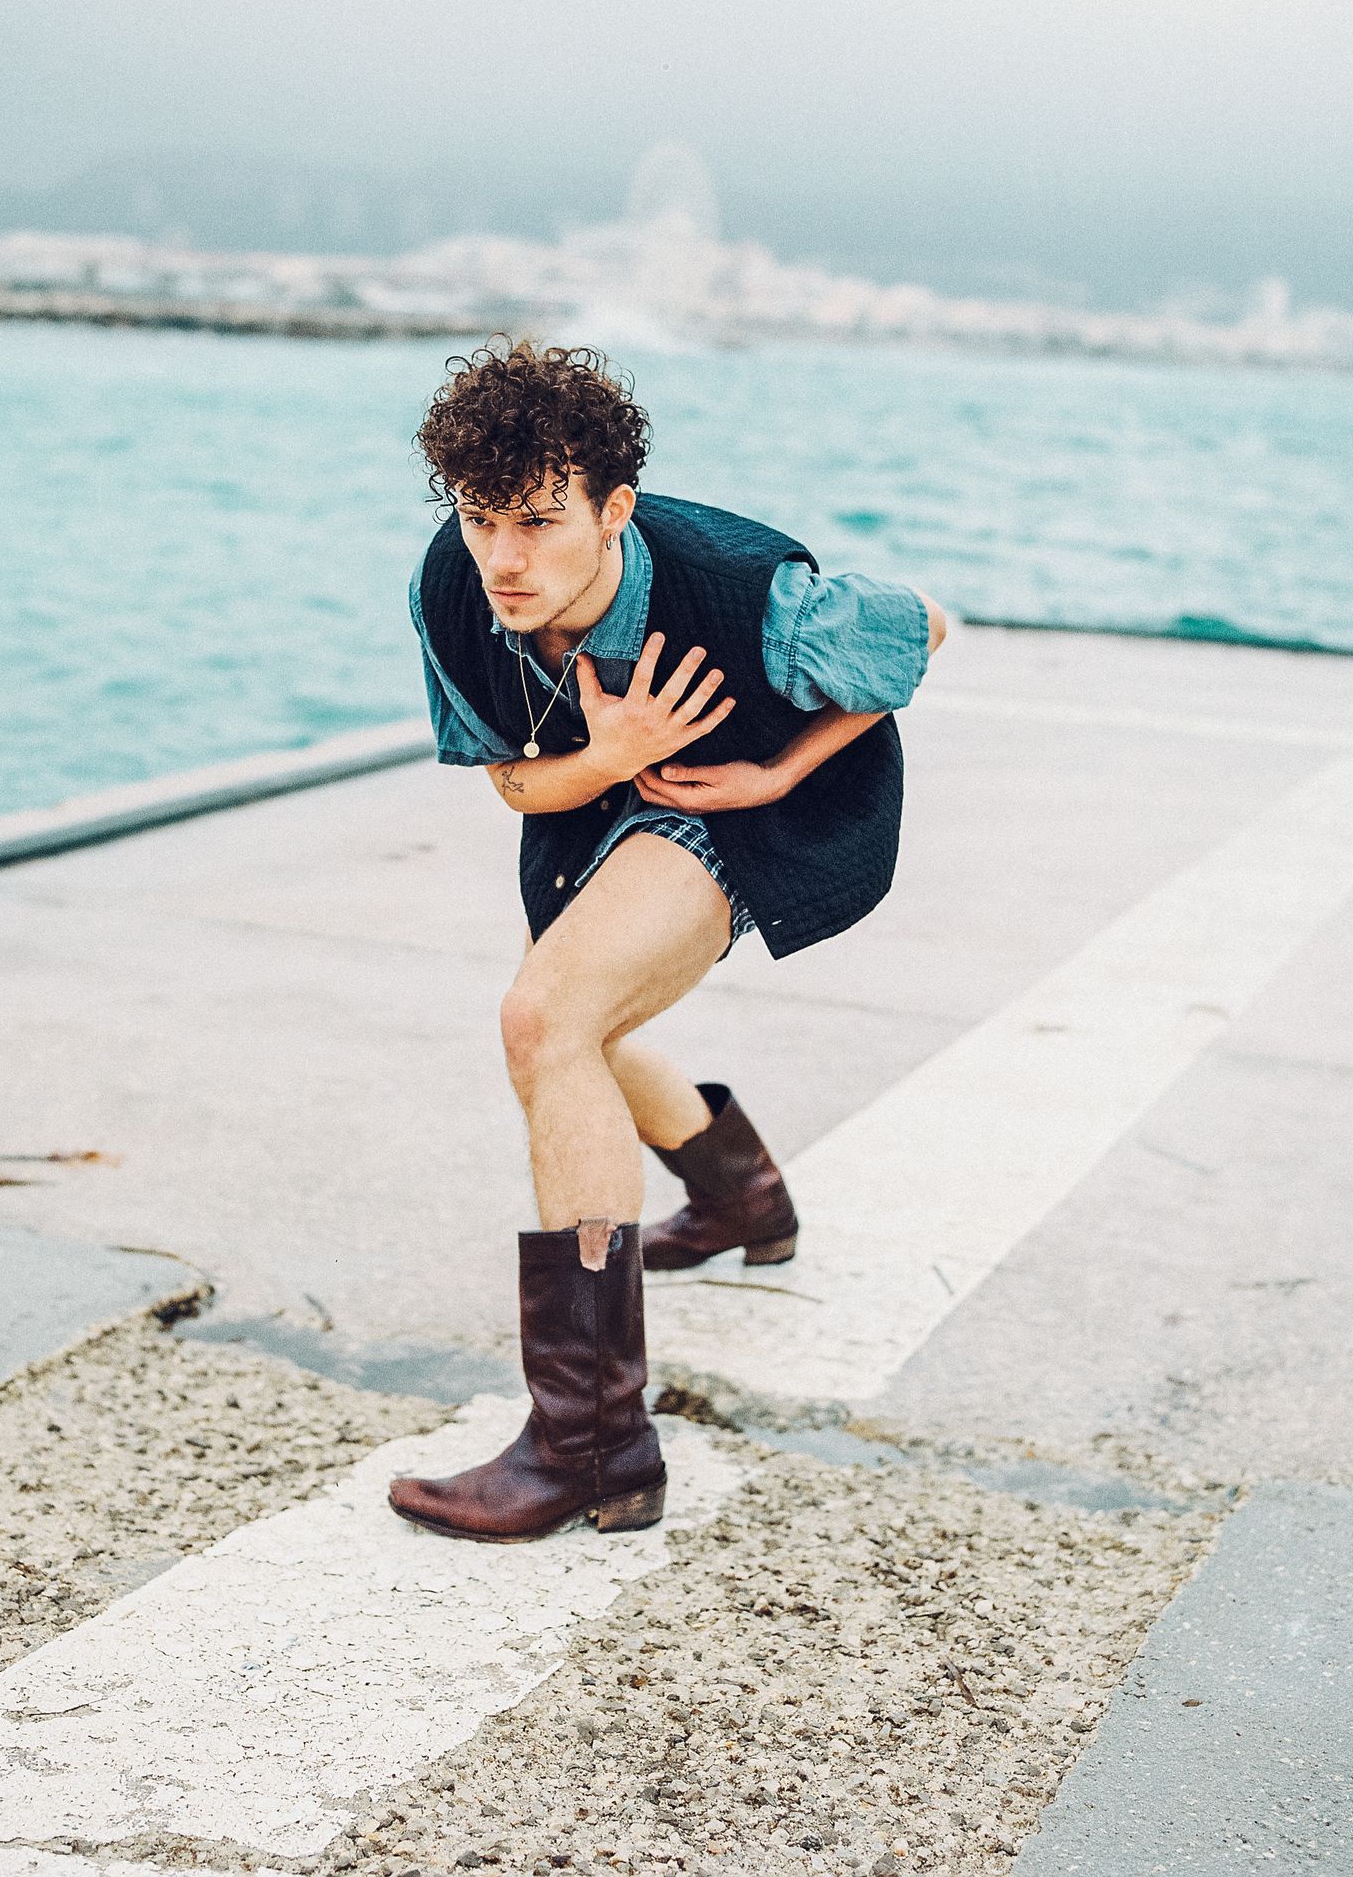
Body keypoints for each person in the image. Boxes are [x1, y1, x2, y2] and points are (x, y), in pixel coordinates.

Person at [387, 340, 945, 1543]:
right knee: (566, 1033)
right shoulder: (455, 587)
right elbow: (511, 785)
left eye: (539, 520)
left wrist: (774, 770)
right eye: (483, 519)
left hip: (750, 805)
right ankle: (739, 1196)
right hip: (597, 794)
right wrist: (603, 757)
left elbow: (925, 632)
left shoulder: (744, 588)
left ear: (614, 508)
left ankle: (593, 1443)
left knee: (549, 1019)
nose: (505, 557)